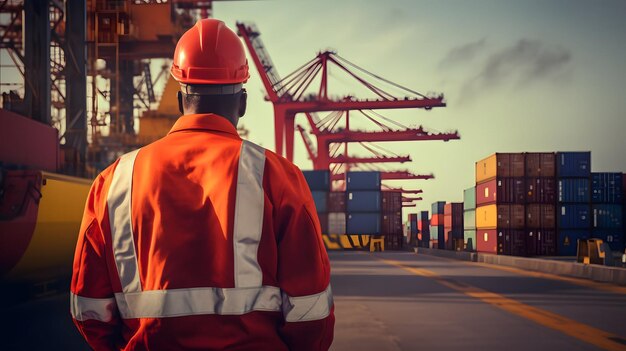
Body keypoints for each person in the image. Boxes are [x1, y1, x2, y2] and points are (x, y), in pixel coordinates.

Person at [70, 18, 334, 350]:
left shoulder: (113, 180)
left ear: (181, 101)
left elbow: (88, 309)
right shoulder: (278, 177)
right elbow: (311, 311)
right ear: (242, 103)